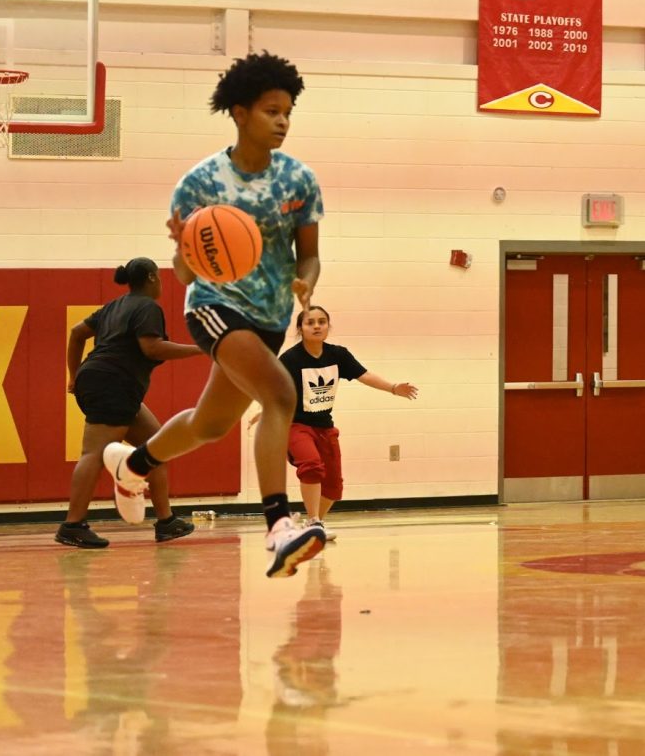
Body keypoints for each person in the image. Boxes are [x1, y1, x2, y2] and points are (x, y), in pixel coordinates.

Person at [101, 52, 328, 578]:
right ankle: (279, 524)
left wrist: (306, 283)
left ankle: (133, 464)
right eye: (272, 110)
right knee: (280, 395)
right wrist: (184, 250)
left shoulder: (300, 180)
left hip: (270, 317)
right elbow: (182, 273)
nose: (283, 121)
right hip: (214, 308)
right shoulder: (199, 183)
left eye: (288, 112)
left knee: (210, 425)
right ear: (240, 112)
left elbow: (310, 252)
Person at [56, 258, 203, 549]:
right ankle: (72, 525)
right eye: (159, 277)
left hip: (102, 380)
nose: (161, 283)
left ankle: (166, 522)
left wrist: (75, 376)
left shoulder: (114, 305)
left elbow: (76, 333)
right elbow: (152, 347)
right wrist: (201, 349)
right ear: (151, 278)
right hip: (113, 383)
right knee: (93, 455)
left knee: (159, 446)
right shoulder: (147, 307)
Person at [267, 305, 418, 542]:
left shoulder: (338, 354)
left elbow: (364, 375)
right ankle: (314, 521)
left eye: (321, 322)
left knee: (334, 487)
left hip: (324, 426)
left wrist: (392, 388)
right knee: (311, 465)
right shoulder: (291, 359)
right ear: (300, 328)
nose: (316, 326)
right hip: (295, 425)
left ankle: (314, 524)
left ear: (328, 326)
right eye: (310, 322)